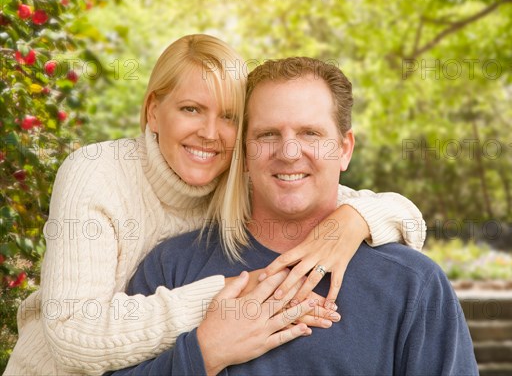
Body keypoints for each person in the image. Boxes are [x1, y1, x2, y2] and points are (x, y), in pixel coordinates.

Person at [5, 36, 426, 375]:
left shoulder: (236, 176)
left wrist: (354, 220)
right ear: (153, 111)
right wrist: (221, 300)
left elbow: (371, 205)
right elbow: (72, 338)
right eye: (191, 109)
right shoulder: (96, 173)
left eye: (228, 116)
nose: (210, 133)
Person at [111, 57, 479, 375]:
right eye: (268, 134)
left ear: (344, 149)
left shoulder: (412, 284)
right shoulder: (172, 267)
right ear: (244, 150)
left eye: (310, 133)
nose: (288, 152)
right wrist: (204, 355)